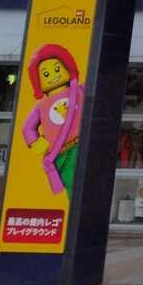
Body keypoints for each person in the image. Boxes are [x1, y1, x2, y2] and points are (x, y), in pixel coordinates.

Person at [20, 43, 84, 196]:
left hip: (84, 145)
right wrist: (38, 144)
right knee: (73, 186)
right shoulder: (41, 106)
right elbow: (27, 127)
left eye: (57, 69)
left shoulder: (80, 90)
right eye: (46, 74)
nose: (54, 76)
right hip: (63, 153)